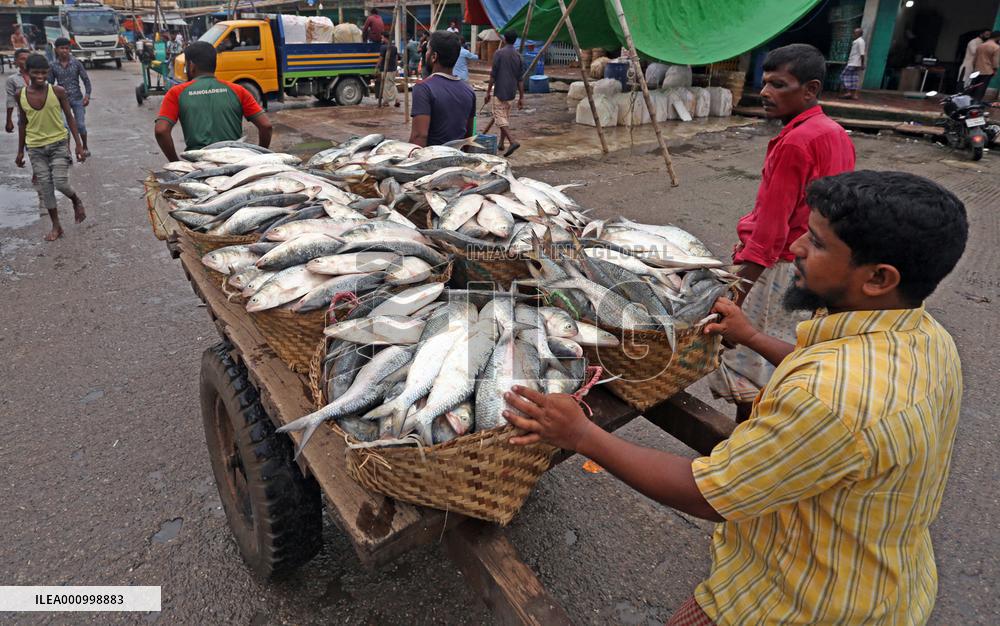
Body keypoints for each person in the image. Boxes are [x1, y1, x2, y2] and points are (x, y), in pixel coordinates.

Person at [505, 169, 968, 625]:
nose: (798, 248)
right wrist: (752, 337)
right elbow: (824, 366)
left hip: (793, 601)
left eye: (819, 243)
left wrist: (582, 434)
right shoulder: (922, 335)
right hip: (883, 577)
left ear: (879, 278)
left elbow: (708, 495)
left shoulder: (827, 399)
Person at [706, 43, 855, 423]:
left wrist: (738, 292)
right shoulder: (834, 132)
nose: (766, 93)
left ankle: (744, 441)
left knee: (750, 361)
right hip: (816, 265)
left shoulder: (795, 141)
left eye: (779, 85)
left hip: (780, 268)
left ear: (810, 89)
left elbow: (772, 229)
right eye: (765, 83)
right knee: (790, 352)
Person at [154, 42, 272, 161]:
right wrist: (259, 158)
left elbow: (161, 130)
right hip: (234, 162)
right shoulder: (238, 90)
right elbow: (266, 126)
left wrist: (175, 163)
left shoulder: (177, 93)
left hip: (198, 164)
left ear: (191, 66)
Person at [15, 54, 87, 242]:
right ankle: (57, 226)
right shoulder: (20, 95)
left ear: (48, 72)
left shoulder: (58, 91)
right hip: (35, 148)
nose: (40, 76)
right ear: (27, 73)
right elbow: (22, 123)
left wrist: (79, 145)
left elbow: (70, 117)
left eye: (43, 72)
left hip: (58, 144)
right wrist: (20, 151)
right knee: (46, 187)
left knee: (61, 183)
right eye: (35, 73)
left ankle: (75, 200)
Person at [409, 31, 475, 147]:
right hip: (457, 160)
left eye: (428, 50)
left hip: (431, 161)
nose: (426, 54)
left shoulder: (423, 88)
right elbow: (467, 138)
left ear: (434, 57)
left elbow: (419, 136)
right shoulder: (469, 91)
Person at [48, 38, 92, 157]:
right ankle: (67, 152)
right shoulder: (52, 66)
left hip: (77, 98)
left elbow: (86, 80)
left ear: (69, 49)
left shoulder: (76, 63)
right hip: (61, 100)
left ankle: (85, 146)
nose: (64, 51)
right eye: (61, 48)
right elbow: (50, 84)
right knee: (65, 127)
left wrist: (87, 95)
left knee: (81, 125)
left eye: (67, 48)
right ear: (56, 50)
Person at [483, 30, 525, 157]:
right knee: (505, 118)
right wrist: (521, 97)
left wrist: (488, 92)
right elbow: (520, 79)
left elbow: (493, 75)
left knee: (499, 118)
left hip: (500, 91)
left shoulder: (499, 53)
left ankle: (512, 141)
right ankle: (501, 143)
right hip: (512, 92)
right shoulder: (519, 56)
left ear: (505, 39)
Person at [5, 48, 31, 134]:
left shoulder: (39, 76)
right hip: (23, 115)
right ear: (16, 61)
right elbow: (10, 100)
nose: (26, 61)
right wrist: (9, 120)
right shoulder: (12, 79)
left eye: (28, 59)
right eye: (22, 59)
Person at [970, 32, 1000, 102]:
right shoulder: (996, 47)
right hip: (988, 70)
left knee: (974, 86)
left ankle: (969, 101)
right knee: (982, 87)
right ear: (998, 37)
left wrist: (974, 67)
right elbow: (995, 61)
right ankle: (976, 102)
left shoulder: (981, 46)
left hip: (977, 69)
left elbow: (974, 59)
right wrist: (995, 70)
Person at [839, 27, 865, 99]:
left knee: (843, 76)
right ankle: (854, 95)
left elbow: (862, 54)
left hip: (854, 63)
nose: (854, 34)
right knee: (853, 78)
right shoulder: (857, 41)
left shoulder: (860, 41)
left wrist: (862, 64)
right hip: (854, 62)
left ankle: (849, 92)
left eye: (855, 33)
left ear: (859, 34)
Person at [376, 32, 399, 108]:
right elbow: (396, 59)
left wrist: (376, 67)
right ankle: (397, 100)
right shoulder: (394, 47)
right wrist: (396, 68)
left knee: (385, 85)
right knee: (392, 84)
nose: (382, 39)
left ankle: (386, 102)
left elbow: (381, 58)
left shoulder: (383, 47)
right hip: (393, 69)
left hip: (386, 70)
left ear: (386, 38)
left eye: (382, 38)